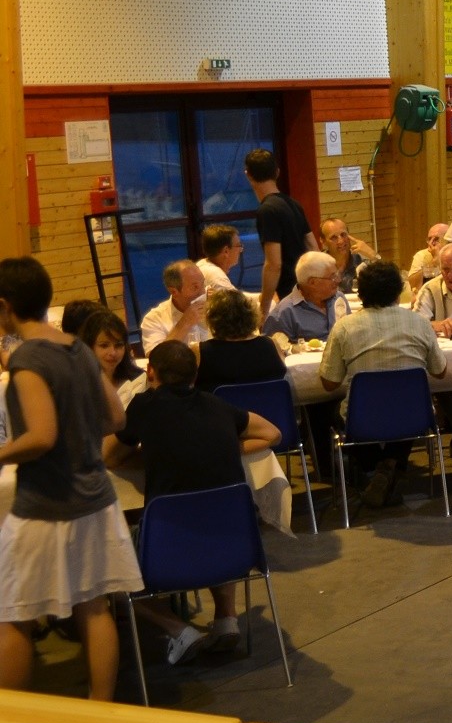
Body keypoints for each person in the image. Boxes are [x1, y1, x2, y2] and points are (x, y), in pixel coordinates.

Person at [0, 257, 137, 699]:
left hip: (46, 503)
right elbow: (116, 416)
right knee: (94, 608)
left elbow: (40, 436)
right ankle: (103, 708)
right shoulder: (77, 349)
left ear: (5, 307)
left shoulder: (27, 360)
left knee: (12, 615)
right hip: (96, 499)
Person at [104, 340, 280, 664]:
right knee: (214, 516)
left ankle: (178, 630)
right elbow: (272, 433)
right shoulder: (217, 405)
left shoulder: (143, 406)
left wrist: (155, 455)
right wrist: (224, 447)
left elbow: (109, 456)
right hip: (234, 549)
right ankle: (226, 618)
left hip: (168, 553)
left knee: (104, 567)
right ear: (195, 376)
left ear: (151, 372)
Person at [319, 261, 446, 508]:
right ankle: (390, 464)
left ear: (362, 293)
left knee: (333, 412)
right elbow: (440, 372)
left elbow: (329, 383)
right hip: (414, 416)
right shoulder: (419, 323)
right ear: (398, 292)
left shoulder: (344, 327)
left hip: (364, 417)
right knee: (407, 404)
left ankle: (374, 467)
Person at [246, 147, 316, 316]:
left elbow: (274, 264)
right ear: (277, 172)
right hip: (307, 288)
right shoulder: (293, 204)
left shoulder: (267, 210)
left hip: (291, 294)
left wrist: (263, 309)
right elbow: (314, 249)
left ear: (248, 175)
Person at [194, 289, 289, 392]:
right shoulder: (271, 344)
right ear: (252, 315)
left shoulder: (200, 352)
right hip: (270, 407)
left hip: (221, 407)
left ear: (212, 319)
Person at [261, 252, 348, 343]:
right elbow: (272, 352)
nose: (338, 280)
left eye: (337, 275)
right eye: (332, 277)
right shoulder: (284, 314)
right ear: (312, 282)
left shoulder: (339, 298)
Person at [139, 259, 210, 350]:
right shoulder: (153, 319)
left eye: (203, 284)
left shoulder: (213, 309)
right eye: (194, 287)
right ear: (174, 292)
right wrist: (185, 323)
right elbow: (157, 359)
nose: (202, 292)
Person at [79, 308, 144, 398]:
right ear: (89, 347)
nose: (113, 353)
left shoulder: (139, 380)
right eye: (104, 346)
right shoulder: (77, 389)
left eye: (118, 345)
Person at [319, 217, 375, 282]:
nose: (341, 241)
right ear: (323, 241)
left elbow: (386, 282)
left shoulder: (362, 261)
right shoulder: (317, 265)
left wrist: (373, 255)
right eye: (334, 237)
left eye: (343, 235)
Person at [405, 222, 452, 294]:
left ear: (447, 240)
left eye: (436, 239)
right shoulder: (421, 255)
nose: (431, 243)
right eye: (429, 239)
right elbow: (413, 285)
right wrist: (432, 262)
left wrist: (439, 259)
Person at [198, 224, 245, 294]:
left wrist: (261, 296)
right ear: (226, 251)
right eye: (239, 245)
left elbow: (237, 296)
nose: (241, 250)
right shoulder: (216, 276)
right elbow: (239, 303)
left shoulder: (202, 264)